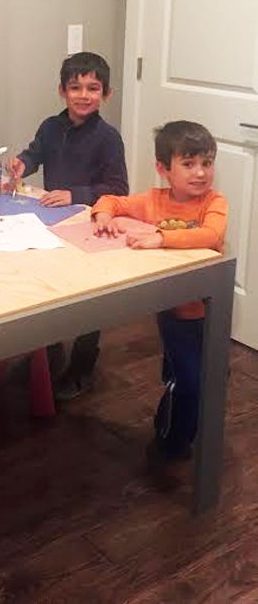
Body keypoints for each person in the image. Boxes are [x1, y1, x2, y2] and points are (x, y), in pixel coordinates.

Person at [92, 120, 227, 461]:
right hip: (175, 313)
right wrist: (103, 215)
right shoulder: (154, 201)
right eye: (189, 163)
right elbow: (111, 200)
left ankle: (186, 425)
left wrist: (161, 238)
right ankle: (171, 442)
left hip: (212, 310)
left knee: (210, 377)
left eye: (206, 163)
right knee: (188, 381)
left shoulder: (214, 202)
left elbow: (210, 235)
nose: (200, 173)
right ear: (163, 169)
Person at [8, 52, 128, 399]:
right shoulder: (50, 126)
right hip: (51, 221)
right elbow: (35, 153)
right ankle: (45, 353)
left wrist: (74, 193)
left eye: (93, 88)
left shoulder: (108, 138)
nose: (83, 95)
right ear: (62, 90)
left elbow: (118, 189)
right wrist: (21, 164)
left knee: (89, 300)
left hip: (89, 223)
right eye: (75, 87)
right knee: (45, 290)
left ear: (106, 94)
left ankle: (82, 368)